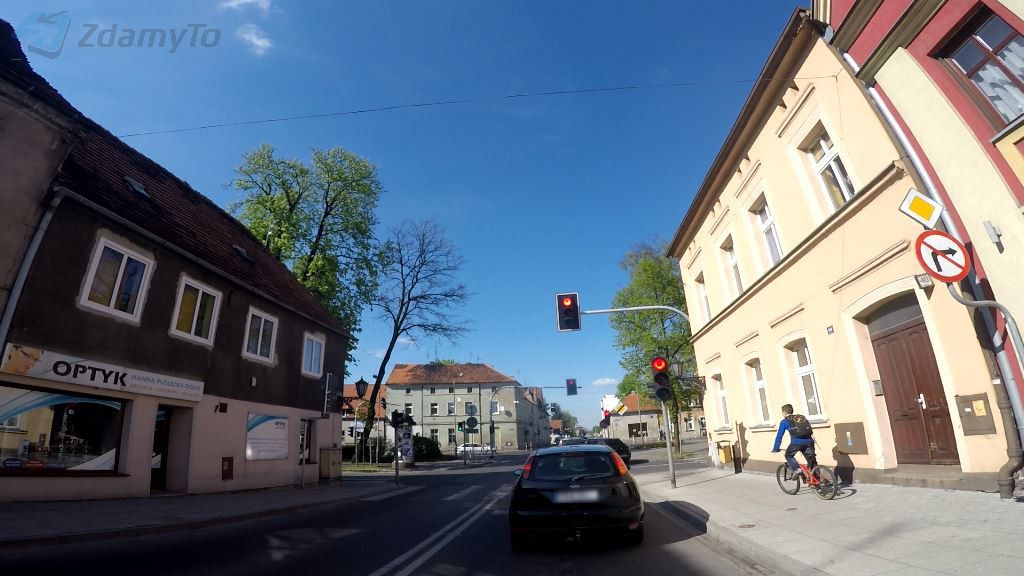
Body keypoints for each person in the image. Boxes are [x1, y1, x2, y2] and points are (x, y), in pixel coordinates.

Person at [771, 403, 816, 477]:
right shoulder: (801, 418)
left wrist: (775, 448)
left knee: (788, 455)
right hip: (809, 442)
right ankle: (817, 481)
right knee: (811, 460)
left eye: (782, 412)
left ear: (784, 413)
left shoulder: (784, 421)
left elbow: (779, 436)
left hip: (796, 443)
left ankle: (797, 469)